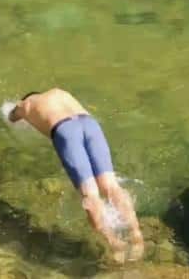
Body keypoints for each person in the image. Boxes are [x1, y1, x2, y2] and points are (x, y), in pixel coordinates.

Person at [8, 88, 144, 262]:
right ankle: (136, 235)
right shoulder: (59, 92)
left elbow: (12, 117)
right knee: (111, 186)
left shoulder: (26, 104)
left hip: (65, 131)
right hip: (90, 125)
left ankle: (115, 243)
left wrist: (14, 112)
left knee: (90, 194)